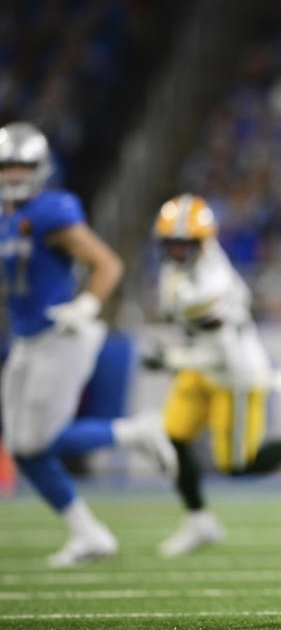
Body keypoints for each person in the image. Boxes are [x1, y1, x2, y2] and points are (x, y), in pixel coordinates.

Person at [148, 193, 281, 557]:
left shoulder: (210, 288)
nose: (179, 251)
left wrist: (171, 359)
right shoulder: (181, 270)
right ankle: (199, 521)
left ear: (202, 242)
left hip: (233, 373)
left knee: (236, 465)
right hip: (199, 364)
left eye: (186, 244)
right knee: (175, 435)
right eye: (173, 243)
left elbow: (223, 351)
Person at [0, 121, 176, 567]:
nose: (16, 174)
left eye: (23, 166)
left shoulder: (51, 210)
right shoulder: (5, 217)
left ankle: (136, 431)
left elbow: (107, 265)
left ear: (40, 168)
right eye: (8, 166)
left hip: (62, 334)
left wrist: (85, 306)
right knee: (22, 447)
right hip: (25, 338)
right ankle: (89, 533)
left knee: (37, 441)